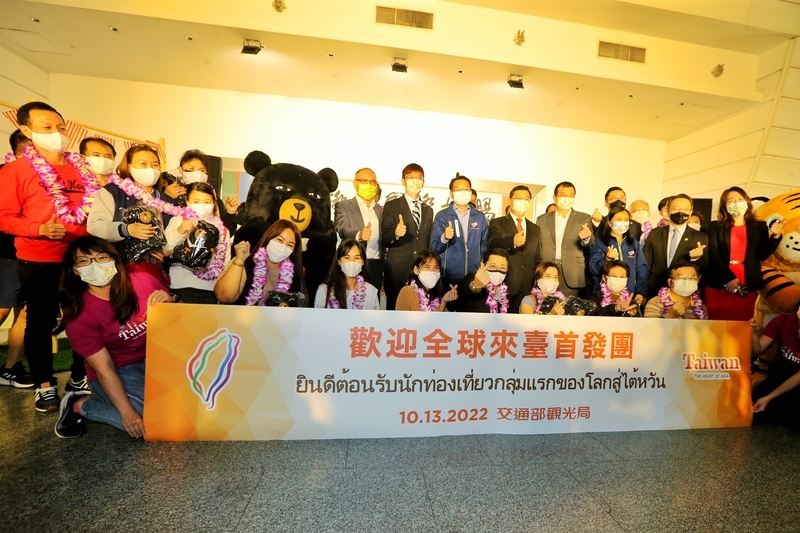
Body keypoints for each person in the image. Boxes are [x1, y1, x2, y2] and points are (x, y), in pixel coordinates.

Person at [0, 102, 100, 412]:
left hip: (82, 259)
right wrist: (38, 228)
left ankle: (79, 377)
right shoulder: (16, 170)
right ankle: (44, 384)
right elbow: (4, 218)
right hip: (39, 259)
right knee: (40, 323)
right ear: (26, 130)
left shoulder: (82, 168)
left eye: (60, 127)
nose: (57, 133)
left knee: (85, 319)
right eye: (47, 127)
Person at [55, 236, 174, 438]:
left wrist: (171, 301)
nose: (94, 265)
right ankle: (81, 405)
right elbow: (104, 369)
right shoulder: (80, 316)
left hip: (156, 358)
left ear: (114, 260)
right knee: (151, 423)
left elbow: (179, 320)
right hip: (118, 369)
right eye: (84, 261)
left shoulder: (143, 281)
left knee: (186, 408)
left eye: (101, 257)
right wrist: (127, 414)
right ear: (75, 270)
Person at [87, 143, 178, 287]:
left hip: (157, 274)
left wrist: (170, 252)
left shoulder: (168, 201)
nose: (150, 169)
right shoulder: (113, 192)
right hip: (117, 271)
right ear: (129, 167)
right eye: (143, 164)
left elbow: (176, 235)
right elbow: (95, 226)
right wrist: (127, 229)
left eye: (155, 165)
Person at [706, 187, 782, 321]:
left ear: (747, 202)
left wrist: (775, 237)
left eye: (740, 199)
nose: (736, 203)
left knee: (742, 322)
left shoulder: (759, 226)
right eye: (731, 200)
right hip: (720, 277)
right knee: (716, 322)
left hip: (747, 278)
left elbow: (761, 255)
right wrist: (728, 278)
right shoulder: (715, 226)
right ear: (724, 206)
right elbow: (713, 254)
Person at [0, 130, 32, 388]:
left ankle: (10, 369)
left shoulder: (47, 176)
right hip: (7, 253)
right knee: (1, 309)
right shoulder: (5, 173)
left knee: (26, 313)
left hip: (37, 256)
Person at [214, 219, 307, 306]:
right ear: (269, 238)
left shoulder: (294, 274)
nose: (283, 247)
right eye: (279, 240)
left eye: (290, 245)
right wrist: (239, 260)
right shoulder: (246, 262)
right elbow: (224, 296)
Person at [163, 182, 229, 304]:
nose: (202, 205)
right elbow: (166, 248)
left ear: (214, 203)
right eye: (196, 201)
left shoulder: (222, 229)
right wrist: (179, 231)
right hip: (181, 286)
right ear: (187, 202)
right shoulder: (178, 221)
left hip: (210, 289)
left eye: (207, 202)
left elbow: (225, 260)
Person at [381, 163, 433, 310]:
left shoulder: (428, 210)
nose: (415, 181)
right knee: (395, 311)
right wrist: (395, 234)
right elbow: (385, 239)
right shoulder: (392, 205)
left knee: (419, 311)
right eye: (410, 177)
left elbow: (427, 241)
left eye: (419, 177)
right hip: (397, 271)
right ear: (403, 181)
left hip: (421, 272)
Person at [487, 185, 542, 313]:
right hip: (507, 283)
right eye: (518, 198)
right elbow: (493, 244)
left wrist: (537, 284)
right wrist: (512, 241)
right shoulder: (497, 222)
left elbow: (536, 257)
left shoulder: (535, 228)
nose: (522, 202)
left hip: (528, 285)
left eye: (526, 199)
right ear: (510, 200)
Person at [643, 194, 707, 298]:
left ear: (690, 212)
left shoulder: (700, 237)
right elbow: (645, 263)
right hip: (654, 288)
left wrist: (696, 259)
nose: (680, 212)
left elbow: (705, 268)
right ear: (668, 211)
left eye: (685, 209)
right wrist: (642, 290)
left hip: (684, 291)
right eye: (675, 208)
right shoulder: (655, 233)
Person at [431, 173, 489, 289]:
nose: (462, 193)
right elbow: (435, 247)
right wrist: (444, 237)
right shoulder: (442, 216)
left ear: (470, 192)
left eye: (466, 189)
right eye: (458, 190)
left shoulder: (479, 217)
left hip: (473, 276)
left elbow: (484, 245)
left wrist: (480, 265)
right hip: (449, 276)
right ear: (451, 193)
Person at [536, 181, 594, 297]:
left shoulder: (583, 218)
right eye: (563, 195)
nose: (567, 199)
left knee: (569, 305)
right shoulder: (542, 219)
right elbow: (538, 245)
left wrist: (586, 239)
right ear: (555, 197)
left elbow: (590, 242)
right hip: (548, 270)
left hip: (572, 271)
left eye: (570, 196)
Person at [162, 149, 239, 234]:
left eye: (202, 170)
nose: (198, 173)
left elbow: (226, 233)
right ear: (180, 171)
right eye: (191, 169)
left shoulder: (213, 198)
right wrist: (166, 197)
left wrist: (230, 213)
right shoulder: (172, 192)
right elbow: (162, 225)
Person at [334, 168, 383, 292]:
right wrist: (359, 235)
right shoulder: (344, 206)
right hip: (353, 264)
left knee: (372, 300)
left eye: (373, 182)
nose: (369, 185)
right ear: (355, 184)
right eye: (364, 181)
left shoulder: (380, 211)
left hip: (375, 266)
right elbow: (341, 227)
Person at [751, 308, 800, 427]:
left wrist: (769, 397)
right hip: (780, 373)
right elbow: (757, 350)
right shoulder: (782, 321)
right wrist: (755, 335)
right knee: (754, 409)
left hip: (796, 380)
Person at [588, 206, 648, 305]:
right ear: (610, 223)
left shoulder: (634, 244)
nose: (623, 223)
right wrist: (606, 259)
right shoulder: (600, 243)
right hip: (605, 297)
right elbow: (593, 268)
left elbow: (642, 269)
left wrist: (641, 291)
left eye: (626, 220)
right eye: (619, 220)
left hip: (629, 295)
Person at [314, 239, 380, 310]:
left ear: (363, 262)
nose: (352, 262)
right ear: (339, 261)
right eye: (347, 258)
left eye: (357, 258)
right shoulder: (324, 291)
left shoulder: (371, 292)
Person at [451, 248, 511, 313]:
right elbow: (466, 287)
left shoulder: (507, 291)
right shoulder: (471, 278)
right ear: (483, 265)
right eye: (493, 266)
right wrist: (476, 285)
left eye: (502, 267)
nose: (498, 270)